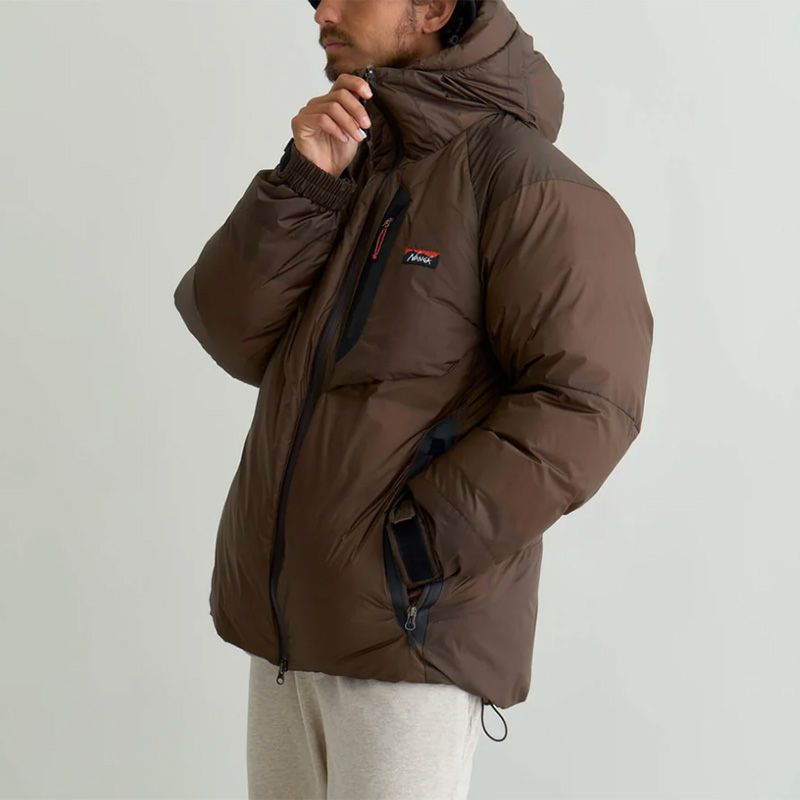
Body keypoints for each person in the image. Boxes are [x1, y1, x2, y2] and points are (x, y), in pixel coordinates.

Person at [173, 0, 654, 797]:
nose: (323, 10)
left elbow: (588, 400)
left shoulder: (524, 183)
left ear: (433, 8)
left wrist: (416, 552)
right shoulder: (353, 163)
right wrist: (305, 182)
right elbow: (229, 330)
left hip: (408, 649)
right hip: (287, 634)